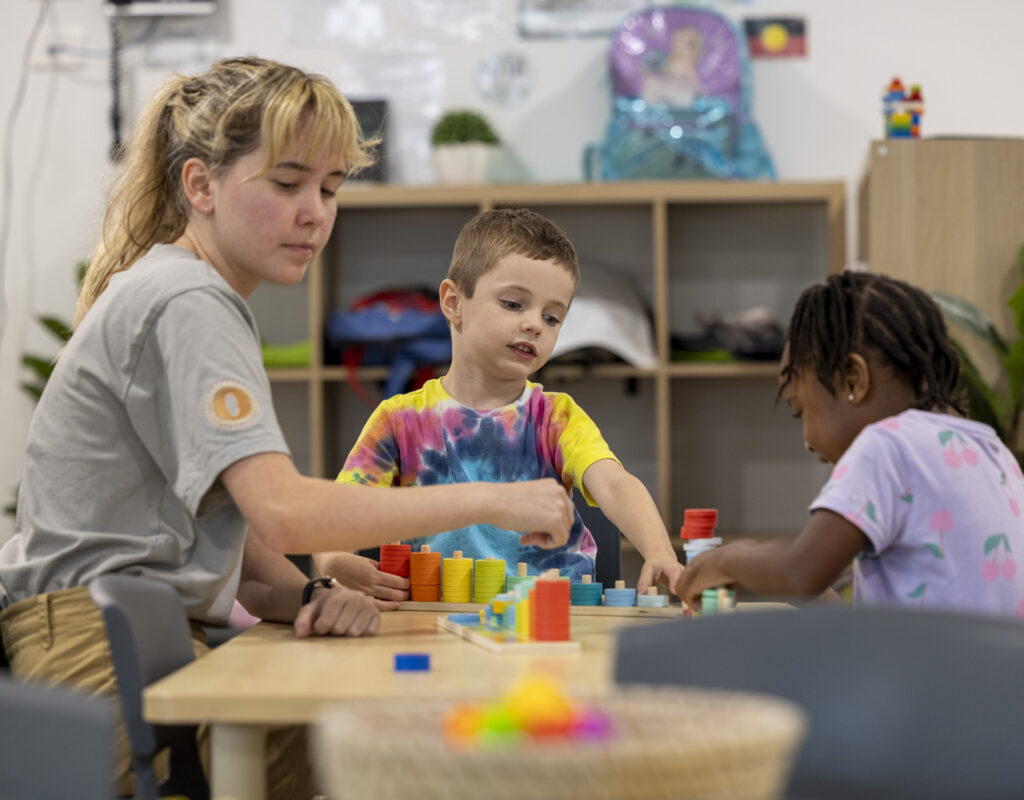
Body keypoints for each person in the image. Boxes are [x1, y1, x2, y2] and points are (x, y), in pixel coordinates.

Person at [0, 58, 573, 797]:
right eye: (287, 183)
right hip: (96, 652)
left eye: (330, 190)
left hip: (133, 634)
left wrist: (306, 594)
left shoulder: (180, 290)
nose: (316, 213)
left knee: (376, 736)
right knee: (408, 751)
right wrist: (498, 499)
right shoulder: (187, 301)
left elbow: (240, 534)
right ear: (200, 186)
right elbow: (286, 511)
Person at [316, 208, 683, 595]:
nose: (534, 324)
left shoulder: (556, 417)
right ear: (454, 303)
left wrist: (659, 551)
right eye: (513, 304)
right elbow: (338, 513)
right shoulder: (399, 420)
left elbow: (614, 484)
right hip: (438, 619)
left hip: (550, 618)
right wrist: (334, 561)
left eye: (553, 317)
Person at [675, 271, 1024, 619]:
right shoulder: (989, 447)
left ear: (852, 379)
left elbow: (798, 573)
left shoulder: (885, 446)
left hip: (931, 673)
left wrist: (729, 559)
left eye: (801, 411)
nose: (808, 442)